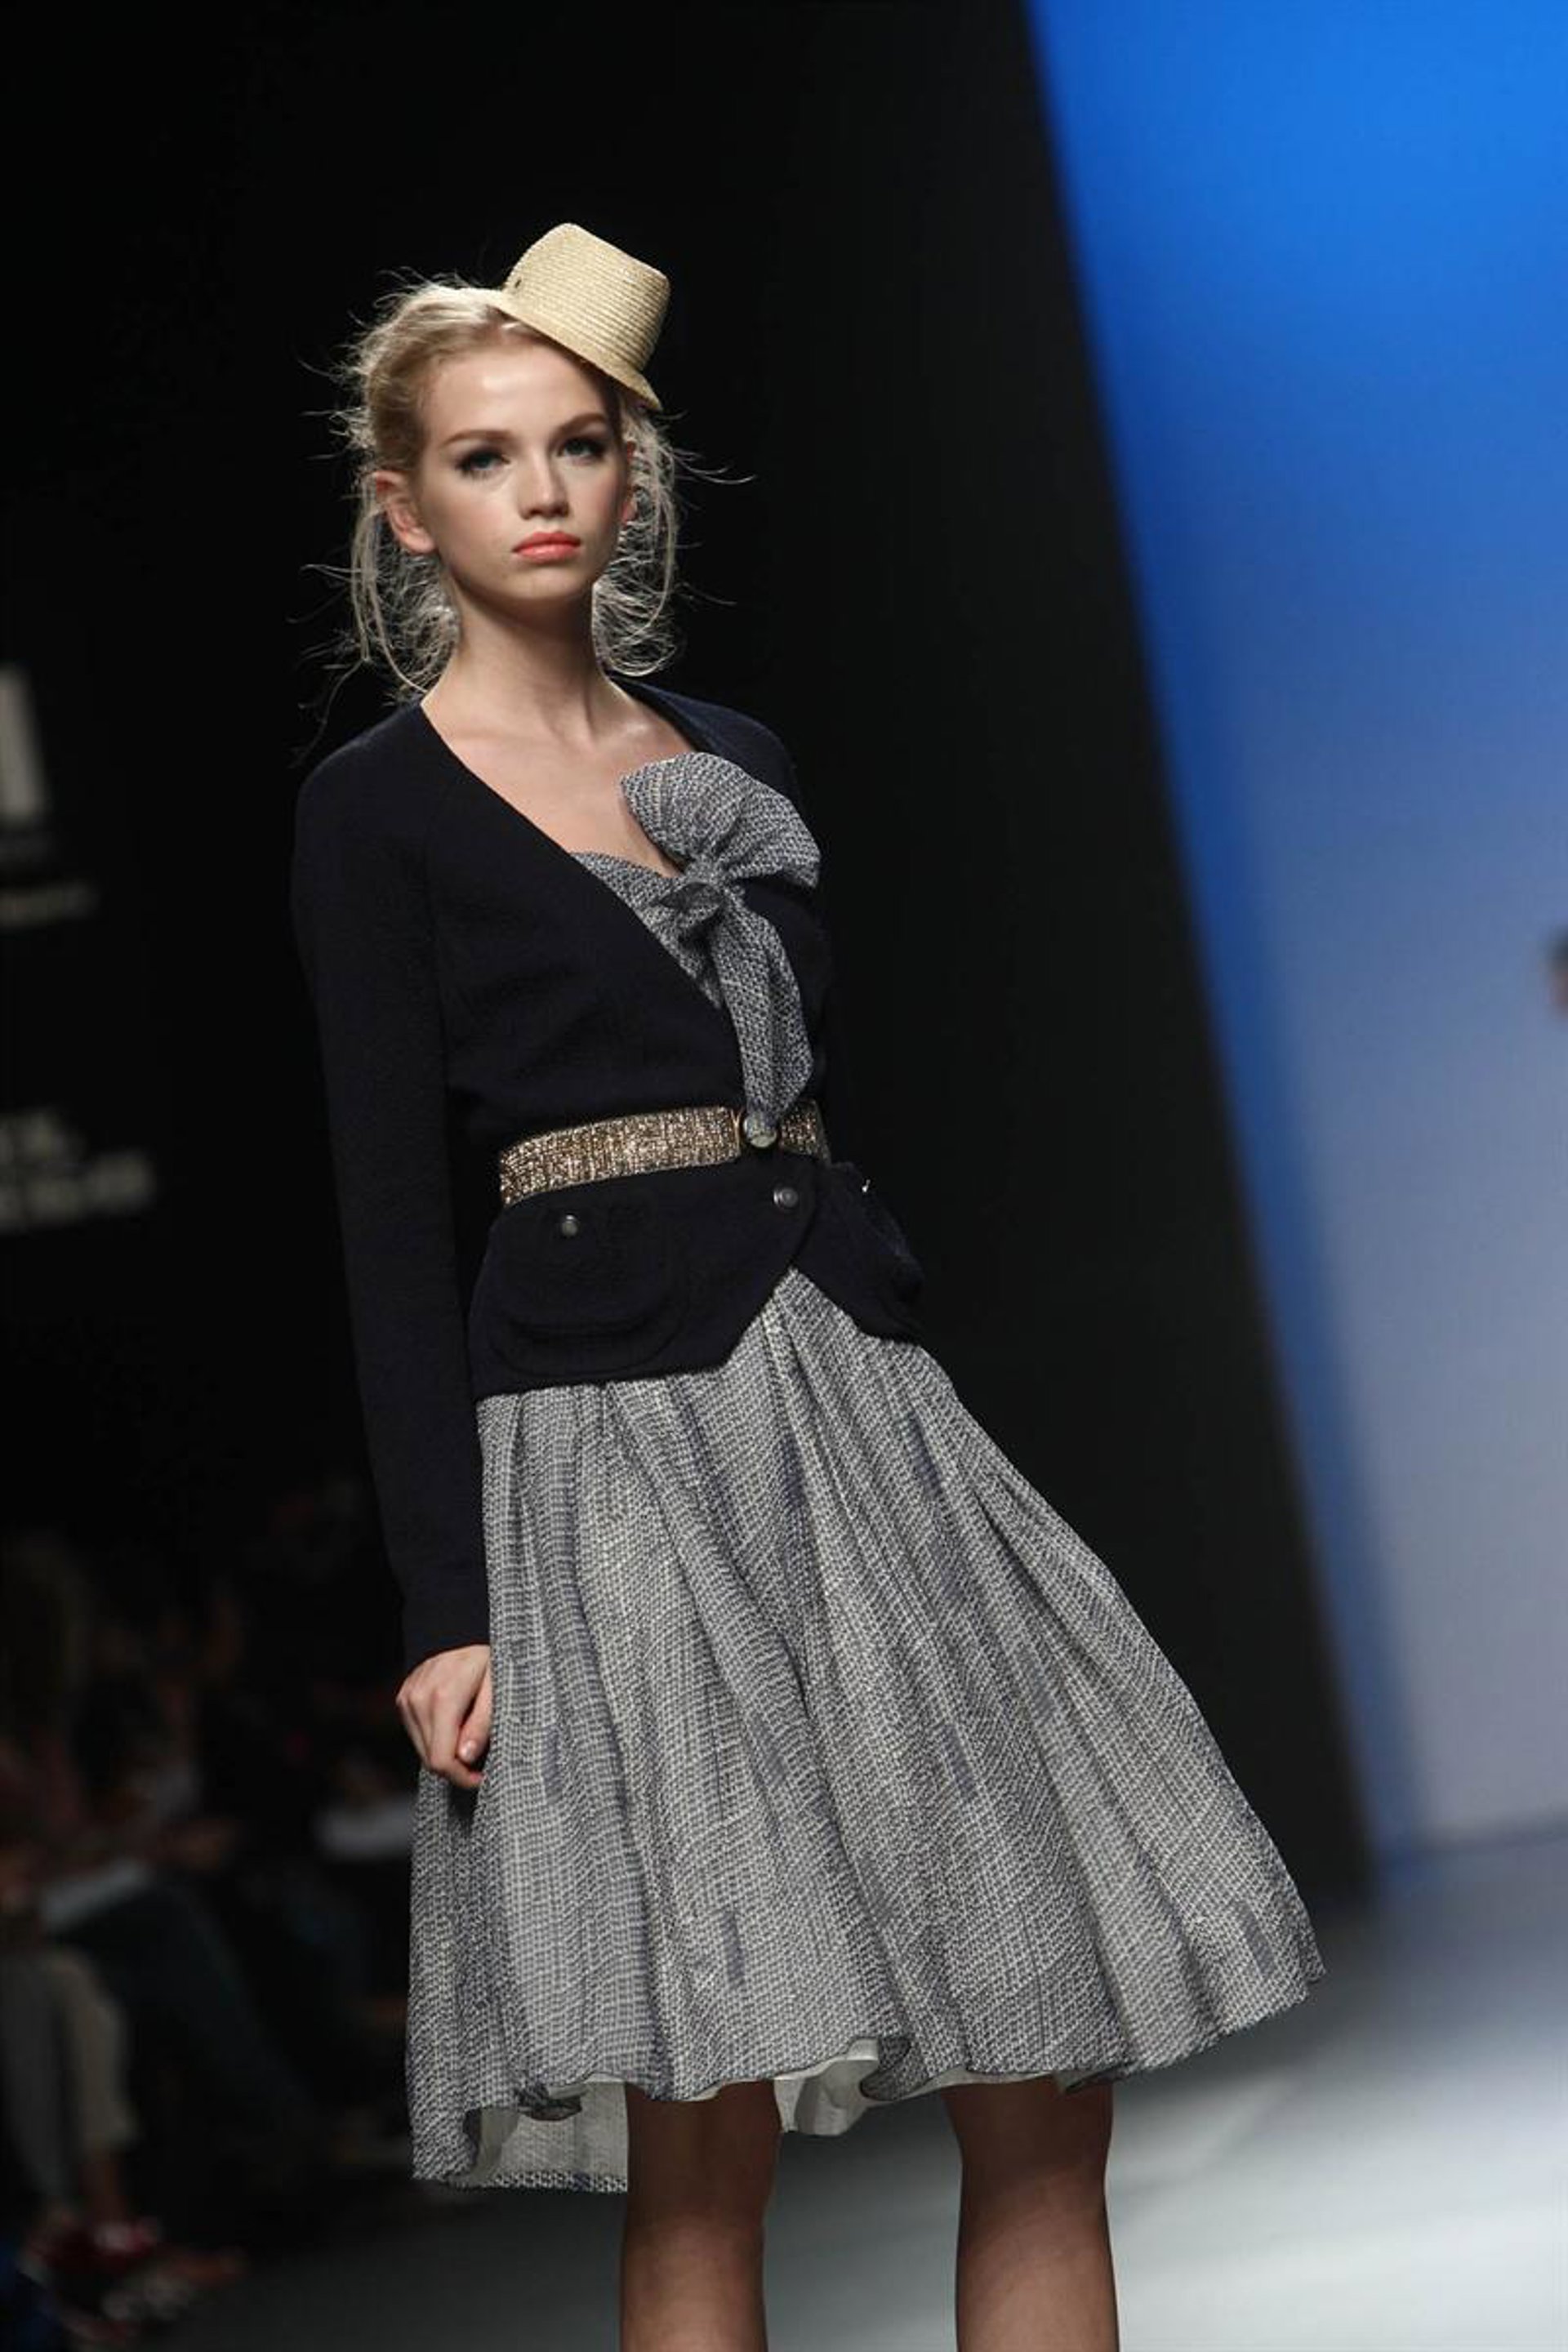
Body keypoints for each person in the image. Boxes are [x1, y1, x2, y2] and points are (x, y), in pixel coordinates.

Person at [289, 221, 1327, 2350]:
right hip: (608, 1460)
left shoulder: (736, 755)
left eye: (581, 445)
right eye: (485, 458)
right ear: (404, 508)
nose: (543, 491)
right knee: (708, 2127)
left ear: (635, 473)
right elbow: (388, 1221)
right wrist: (446, 1604)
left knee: (1041, 2065)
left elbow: (808, 1091)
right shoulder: (372, 814)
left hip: (855, 1415)